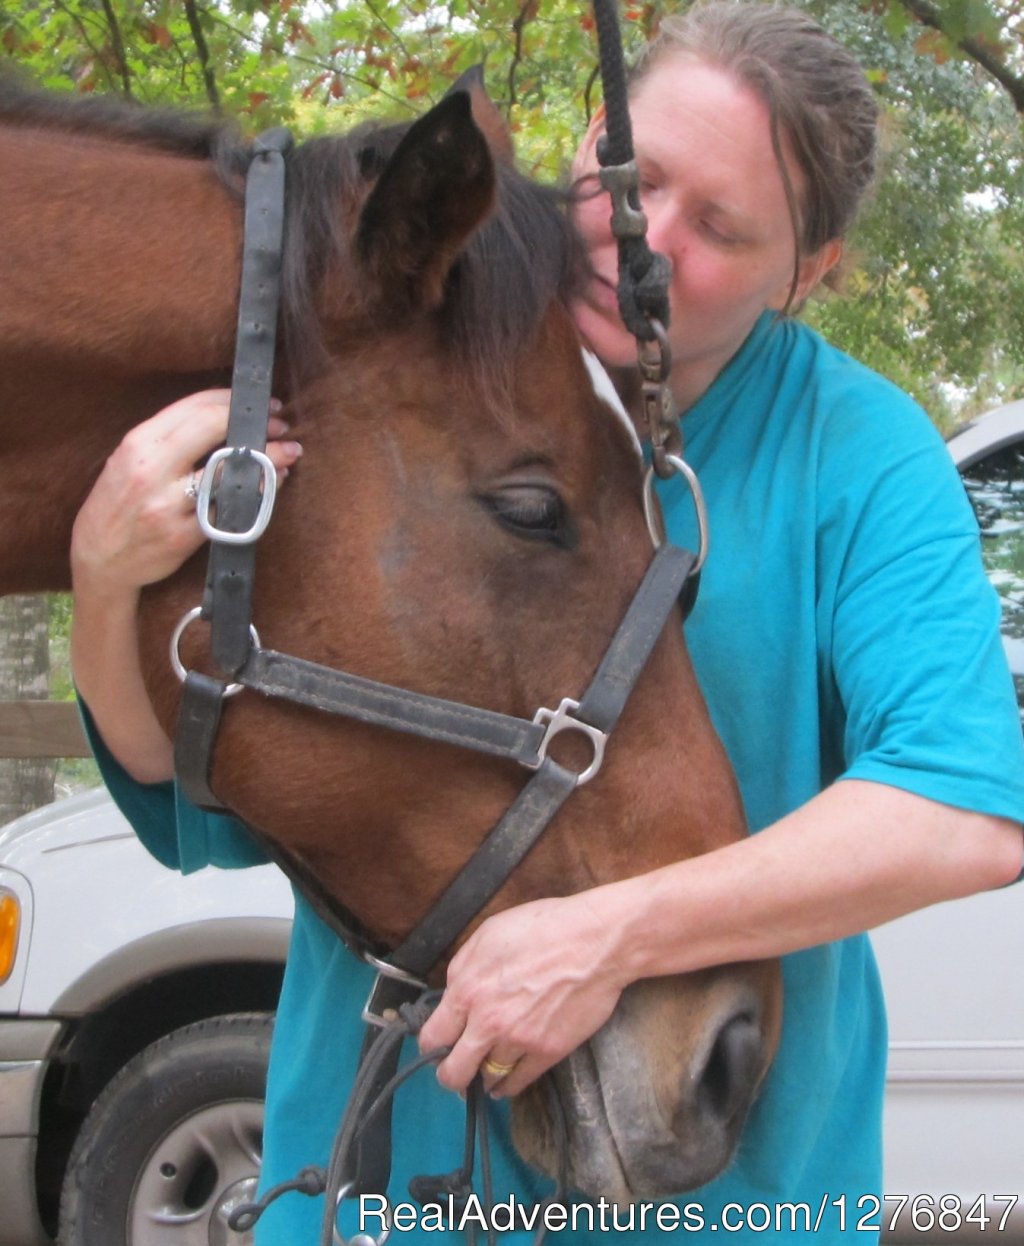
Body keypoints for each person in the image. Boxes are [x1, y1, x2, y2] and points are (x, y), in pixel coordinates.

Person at [72, 4, 1024, 1242]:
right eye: (630, 179)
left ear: (813, 271)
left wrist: (605, 937)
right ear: (583, 142)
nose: (646, 244)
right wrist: (103, 575)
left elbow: (959, 812)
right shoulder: (387, 369)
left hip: (715, 1194)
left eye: (722, 228)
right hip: (367, 1187)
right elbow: (187, 791)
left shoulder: (856, 454)